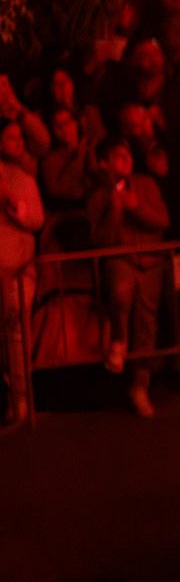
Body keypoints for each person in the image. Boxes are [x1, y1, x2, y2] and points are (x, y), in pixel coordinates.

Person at [86, 137, 171, 417]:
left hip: (150, 260)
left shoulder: (146, 184)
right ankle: (119, 343)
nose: (126, 160)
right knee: (121, 293)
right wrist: (115, 210)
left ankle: (140, 385)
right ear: (105, 162)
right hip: (121, 257)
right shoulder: (99, 195)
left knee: (147, 322)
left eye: (128, 155)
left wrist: (136, 207)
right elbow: (99, 238)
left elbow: (162, 221)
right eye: (118, 156)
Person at [0, 121, 46, 424]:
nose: (19, 142)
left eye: (20, 137)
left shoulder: (23, 177)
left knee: (17, 331)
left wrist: (21, 213)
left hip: (17, 269)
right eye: (12, 137)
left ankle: (21, 398)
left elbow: (37, 220)